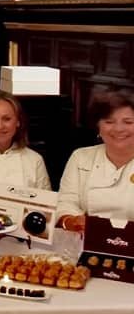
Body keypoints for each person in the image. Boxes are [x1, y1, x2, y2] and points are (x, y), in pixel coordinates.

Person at [56, 90, 134, 232]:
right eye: (109, 122)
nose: (118, 129)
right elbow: (66, 202)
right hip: (85, 238)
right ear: (98, 127)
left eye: (128, 122)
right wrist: (72, 220)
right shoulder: (81, 157)